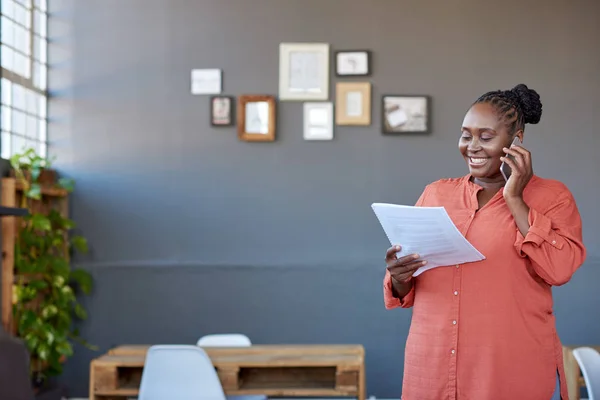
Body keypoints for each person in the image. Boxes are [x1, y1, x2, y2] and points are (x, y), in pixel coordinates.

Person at [383, 84, 586, 400]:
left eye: (486, 137)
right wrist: (399, 276)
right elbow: (405, 288)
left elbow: (559, 270)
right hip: (431, 367)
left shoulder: (552, 198)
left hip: (508, 371)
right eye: (466, 135)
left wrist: (516, 199)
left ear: (516, 139)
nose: (472, 146)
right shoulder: (436, 194)